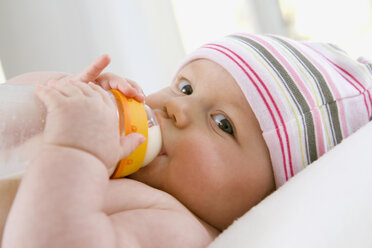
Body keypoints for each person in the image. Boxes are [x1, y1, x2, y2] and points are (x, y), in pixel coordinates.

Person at [1, 33, 372, 247]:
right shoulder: (119, 164)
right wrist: (67, 95)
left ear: (269, 195)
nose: (177, 109)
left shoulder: (179, 228)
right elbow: (8, 121)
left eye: (223, 124)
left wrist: (76, 149)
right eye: (186, 86)